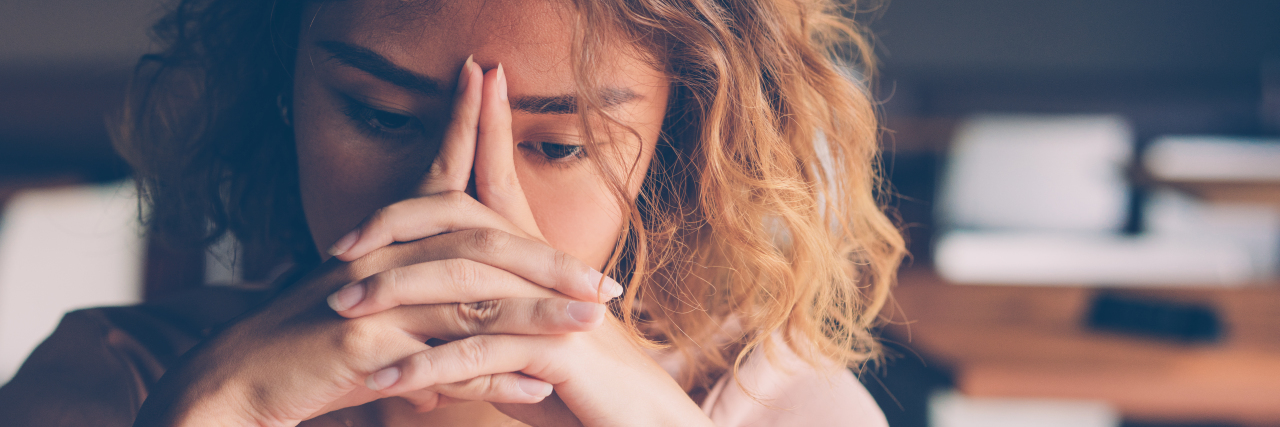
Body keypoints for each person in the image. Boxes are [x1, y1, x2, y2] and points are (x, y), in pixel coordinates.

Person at [0, 0, 905, 425]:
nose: (464, 202)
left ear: (680, 139)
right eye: (380, 115)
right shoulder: (115, 380)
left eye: (560, 143)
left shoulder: (776, 410)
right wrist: (215, 413)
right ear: (282, 90)